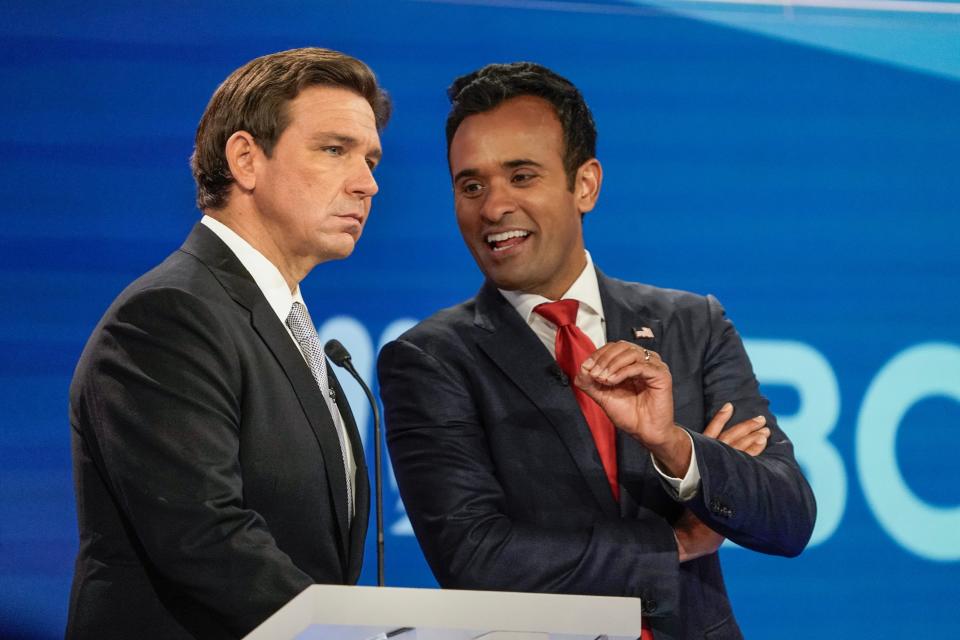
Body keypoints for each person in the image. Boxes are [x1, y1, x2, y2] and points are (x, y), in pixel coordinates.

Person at [377, 62, 815, 640]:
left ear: (584, 185)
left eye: (522, 175)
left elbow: (787, 517)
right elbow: (476, 556)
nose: (493, 207)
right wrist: (675, 543)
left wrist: (676, 448)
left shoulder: (692, 324)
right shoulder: (430, 358)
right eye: (471, 185)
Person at [67, 48, 389, 639]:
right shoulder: (169, 315)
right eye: (334, 149)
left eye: (370, 159)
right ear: (245, 158)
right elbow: (203, 535)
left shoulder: (281, 319)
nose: (367, 183)